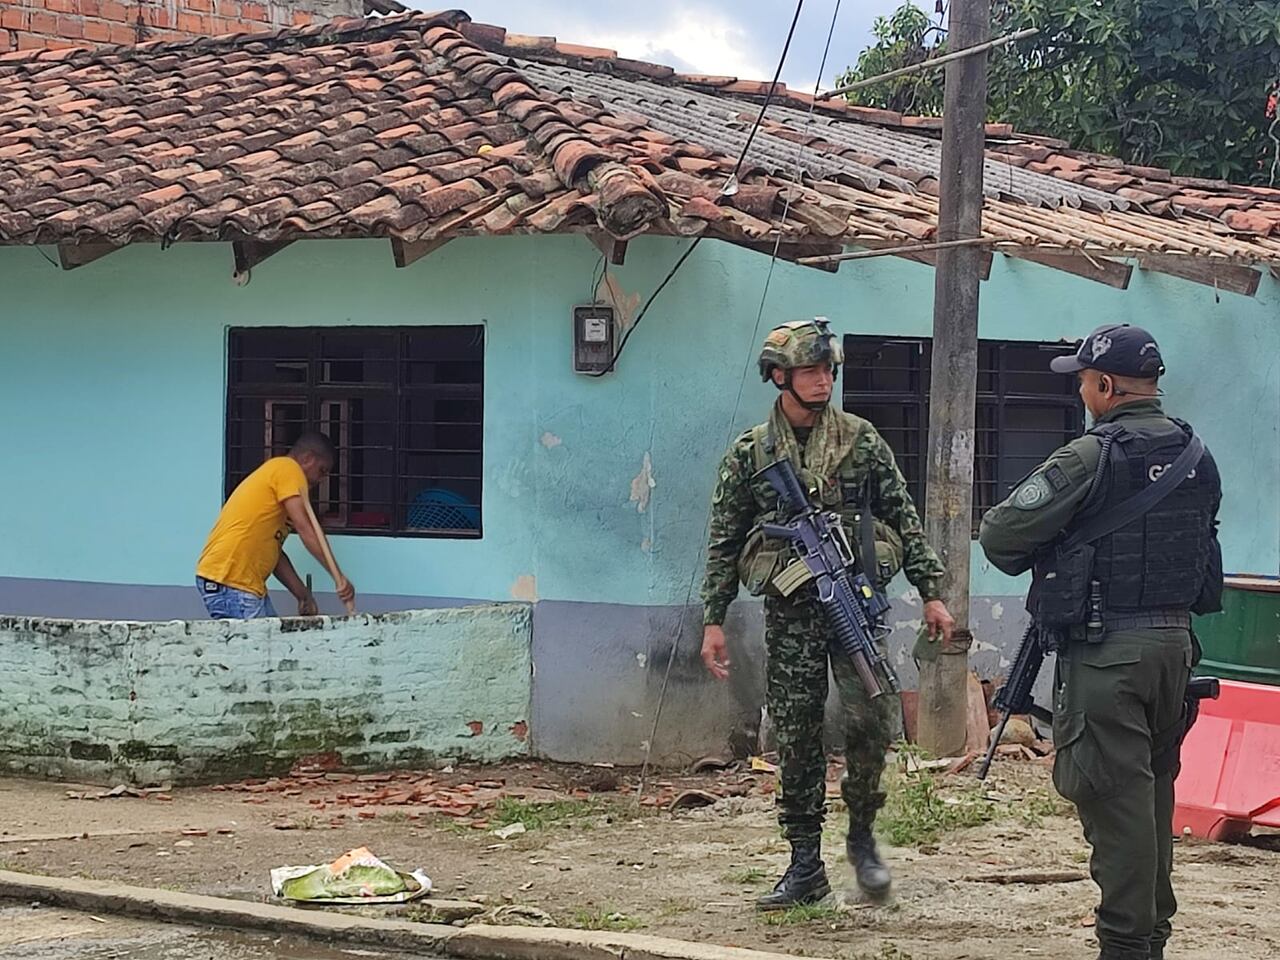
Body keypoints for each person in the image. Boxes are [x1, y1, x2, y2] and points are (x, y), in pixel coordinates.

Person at [978, 323, 1223, 960]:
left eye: (1084, 380)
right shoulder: (1197, 452)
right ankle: (1150, 936)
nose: (1082, 391)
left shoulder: (1090, 454)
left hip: (1108, 654)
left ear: (1106, 385)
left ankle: (1126, 945)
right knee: (1149, 795)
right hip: (1176, 649)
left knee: (1114, 802)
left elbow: (1002, 535)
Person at [699, 318, 955, 909]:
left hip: (854, 603)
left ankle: (862, 838)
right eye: (811, 371)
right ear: (779, 377)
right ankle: (803, 861)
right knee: (796, 732)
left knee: (872, 719)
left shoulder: (861, 439)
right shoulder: (752, 453)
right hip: (791, 614)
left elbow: (904, 515)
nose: (823, 380)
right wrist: (714, 619)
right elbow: (723, 537)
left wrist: (932, 590)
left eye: (828, 370)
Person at [196, 431, 356, 619]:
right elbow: (307, 530)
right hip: (231, 582)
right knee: (265, 647)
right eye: (322, 471)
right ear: (308, 458)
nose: (321, 480)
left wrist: (303, 595)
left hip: (238, 583)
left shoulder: (277, 484)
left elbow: (275, 555)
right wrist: (339, 578)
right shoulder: (289, 469)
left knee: (274, 643)